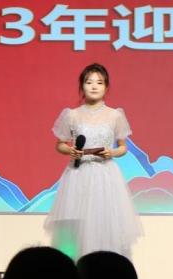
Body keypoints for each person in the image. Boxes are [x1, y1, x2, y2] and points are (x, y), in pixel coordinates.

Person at [45, 63, 142, 260]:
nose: (94, 86)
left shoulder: (115, 115)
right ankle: (76, 267)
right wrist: (70, 150)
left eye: (99, 82)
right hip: (78, 173)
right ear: (82, 86)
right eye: (89, 82)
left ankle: (106, 266)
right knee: (75, 226)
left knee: (105, 222)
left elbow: (123, 147)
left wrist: (111, 152)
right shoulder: (72, 115)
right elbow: (60, 144)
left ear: (106, 86)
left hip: (105, 174)